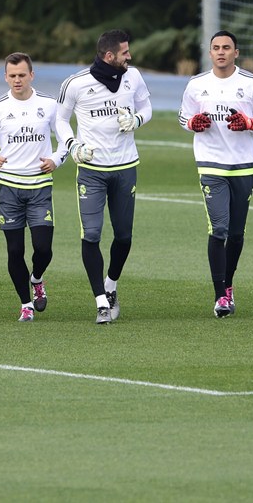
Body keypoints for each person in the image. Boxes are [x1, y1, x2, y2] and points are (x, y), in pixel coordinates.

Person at [55, 29, 152, 324]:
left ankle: (111, 285)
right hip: (92, 171)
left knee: (124, 236)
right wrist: (73, 146)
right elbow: (60, 120)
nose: (130, 56)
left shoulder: (133, 77)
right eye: (125, 52)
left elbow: (146, 107)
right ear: (109, 56)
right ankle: (100, 301)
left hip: (125, 168)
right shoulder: (75, 83)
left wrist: (136, 119)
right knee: (92, 234)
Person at [178, 30, 253, 318]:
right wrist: (194, 122)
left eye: (226, 47)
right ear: (209, 53)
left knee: (236, 233)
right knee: (218, 229)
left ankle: (229, 284)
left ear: (236, 52)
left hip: (244, 165)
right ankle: (220, 296)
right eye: (216, 48)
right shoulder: (196, 85)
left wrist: (248, 122)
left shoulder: (251, 84)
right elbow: (184, 118)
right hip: (210, 164)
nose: (221, 52)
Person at [0, 52, 68, 322]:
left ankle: (37, 279)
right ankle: (25, 304)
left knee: (44, 248)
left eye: (22, 75)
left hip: (39, 187)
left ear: (31, 76)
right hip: (9, 188)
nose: (17, 80)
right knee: (15, 251)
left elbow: (66, 140)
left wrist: (56, 160)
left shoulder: (49, 105)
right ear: (5, 77)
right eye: (12, 75)